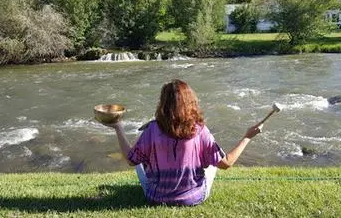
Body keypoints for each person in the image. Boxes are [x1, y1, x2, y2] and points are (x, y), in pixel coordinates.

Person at [102, 79, 263, 206]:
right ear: (191, 102)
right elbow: (226, 163)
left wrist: (118, 127)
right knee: (214, 163)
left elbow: (131, 160)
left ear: (163, 103)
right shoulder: (200, 130)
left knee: (137, 158)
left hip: (155, 197)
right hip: (193, 198)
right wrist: (247, 137)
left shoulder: (151, 129)